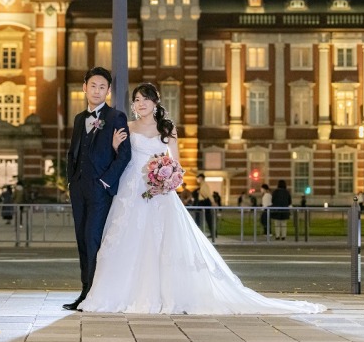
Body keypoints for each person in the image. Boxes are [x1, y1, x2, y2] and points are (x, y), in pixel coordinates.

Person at [80, 82, 325, 315]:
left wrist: (167, 179)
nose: (140, 103)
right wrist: (114, 145)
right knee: (125, 237)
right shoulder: (129, 127)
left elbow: (176, 164)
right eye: (136, 100)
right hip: (131, 188)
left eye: (145, 99)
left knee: (159, 241)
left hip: (158, 191)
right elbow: (121, 159)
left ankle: (161, 294)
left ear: (156, 102)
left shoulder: (167, 129)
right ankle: (118, 294)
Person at [64, 67, 131, 312]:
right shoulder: (79, 118)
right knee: (82, 239)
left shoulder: (116, 117)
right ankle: (85, 290)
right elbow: (73, 152)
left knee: (93, 239)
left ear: (109, 91)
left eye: (102, 87)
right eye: (93, 85)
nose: (97, 90)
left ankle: (92, 293)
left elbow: (125, 155)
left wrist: (105, 182)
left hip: (100, 190)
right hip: (79, 188)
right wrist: (70, 180)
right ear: (84, 87)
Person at [191, 173, 215, 238]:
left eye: (198, 178)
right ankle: (200, 231)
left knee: (207, 218)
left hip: (205, 202)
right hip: (202, 202)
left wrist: (213, 202)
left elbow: (208, 194)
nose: (197, 180)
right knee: (199, 216)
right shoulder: (202, 185)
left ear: (201, 178)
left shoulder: (205, 185)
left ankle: (212, 233)